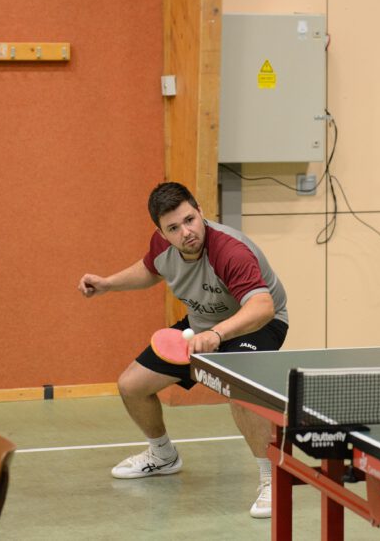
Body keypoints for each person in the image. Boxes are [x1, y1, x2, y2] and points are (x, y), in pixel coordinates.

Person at [78, 181, 288, 518]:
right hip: (203, 325)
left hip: (257, 324)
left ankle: (272, 479)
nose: (186, 232)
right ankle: (163, 455)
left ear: (200, 211)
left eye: (190, 220)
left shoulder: (229, 251)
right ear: (161, 232)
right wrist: (108, 284)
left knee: (241, 388)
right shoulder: (163, 246)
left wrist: (218, 334)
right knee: (132, 385)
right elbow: (150, 269)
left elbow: (262, 306)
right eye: (174, 228)